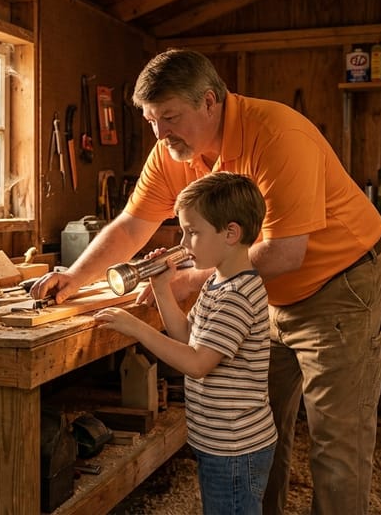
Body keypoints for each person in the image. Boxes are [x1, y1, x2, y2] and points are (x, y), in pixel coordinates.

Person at [31, 48, 381, 515]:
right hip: (265, 294)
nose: (161, 134)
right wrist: (75, 276)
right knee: (258, 428)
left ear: (209, 102)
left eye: (170, 117)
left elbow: (285, 252)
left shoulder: (278, 135)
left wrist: (191, 281)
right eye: (151, 121)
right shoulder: (173, 151)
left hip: (340, 285)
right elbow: (131, 226)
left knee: (335, 442)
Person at [94, 172, 275, 515]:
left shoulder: (237, 296)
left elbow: (196, 363)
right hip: (217, 442)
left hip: (236, 448)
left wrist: (136, 328)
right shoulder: (217, 284)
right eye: (183, 232)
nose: (184, 242)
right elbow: (186, 338)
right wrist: (163, 287)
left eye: (192, 232)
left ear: (231, 233)